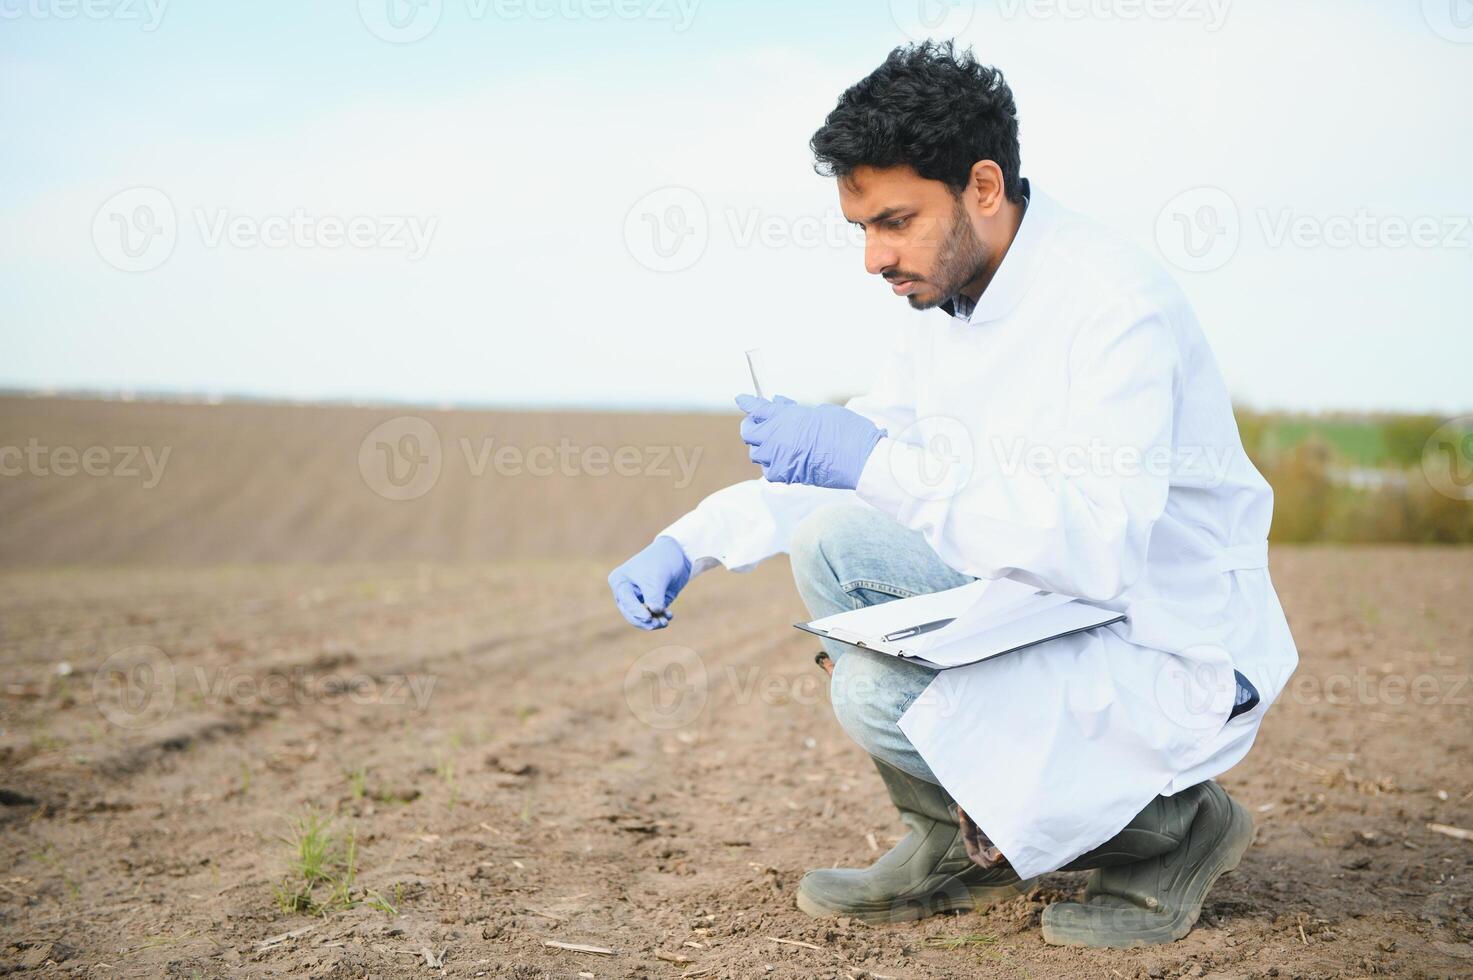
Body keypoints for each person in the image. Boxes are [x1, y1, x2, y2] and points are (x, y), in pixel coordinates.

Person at [607, 39, 1297, 949]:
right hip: (1053, 602)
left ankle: (1175, 829)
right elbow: (863, 467)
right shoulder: (945, 299)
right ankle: (953, 844)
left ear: (981, 186)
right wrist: (690, 540)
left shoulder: (1112, 306)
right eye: (859, 228)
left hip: (1165, 634)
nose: (872, 257)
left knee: (875, 694)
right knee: (834, 544)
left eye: (893, 220)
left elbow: (1095, 547)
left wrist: (871, 460)